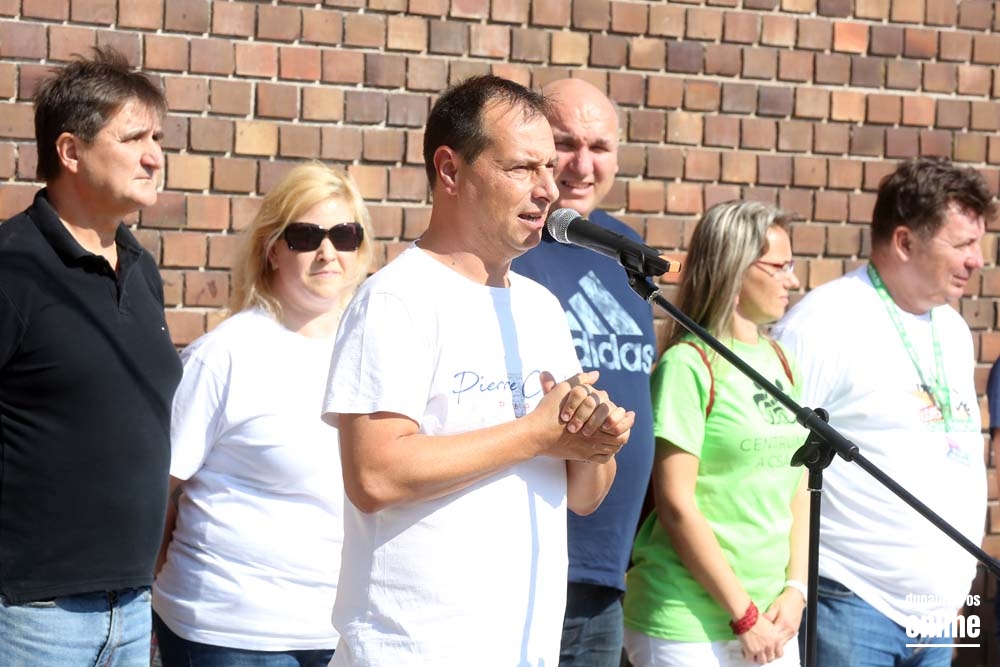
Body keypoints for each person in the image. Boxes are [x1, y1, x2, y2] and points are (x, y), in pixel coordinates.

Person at [322, 74, 635, 666]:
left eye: (548, 168)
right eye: (522, 168)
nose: (548, 189)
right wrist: (535, 434)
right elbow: (374, 476)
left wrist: (596, 445)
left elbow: (585, 497)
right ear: (450, 170)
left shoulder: (541, 308)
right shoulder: (396, 299)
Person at [151, 163, 375, 667]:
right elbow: (157, 487)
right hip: (229, 633)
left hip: (340, 631)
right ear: (272, 249)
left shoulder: (374, 354)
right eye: (306, 236)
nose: (327, 252)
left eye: (344, 235)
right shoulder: (225, 354)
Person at [772, 157, 993, 667]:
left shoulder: (953, 328)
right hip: (852, 602)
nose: (978, 260)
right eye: (963, 244)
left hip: (938, 616)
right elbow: (772, 457)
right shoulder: (824, 323)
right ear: (905, 242)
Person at [0, 47, 182, 665]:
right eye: (133, 138)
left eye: (157, 138)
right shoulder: (13, 268)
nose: (154, 156)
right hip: (31, 614)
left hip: (130, 608)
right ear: (70, 151)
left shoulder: (142, 269)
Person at [622, 201, 807, 667]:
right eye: (780, 267)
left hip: (773, 618)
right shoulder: (688, 365)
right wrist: (744, 615)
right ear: (735, 269)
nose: (793, 281)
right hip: (686, 622)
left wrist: (796, 588)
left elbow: (799, 484)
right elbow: (676, 504)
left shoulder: (782, 362)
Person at [511, 77, 656, 666]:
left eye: (599, 147)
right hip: (528, 559)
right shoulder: (512, 245)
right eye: (566, 143)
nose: (582, 164)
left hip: (607, 570)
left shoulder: (623, 246)